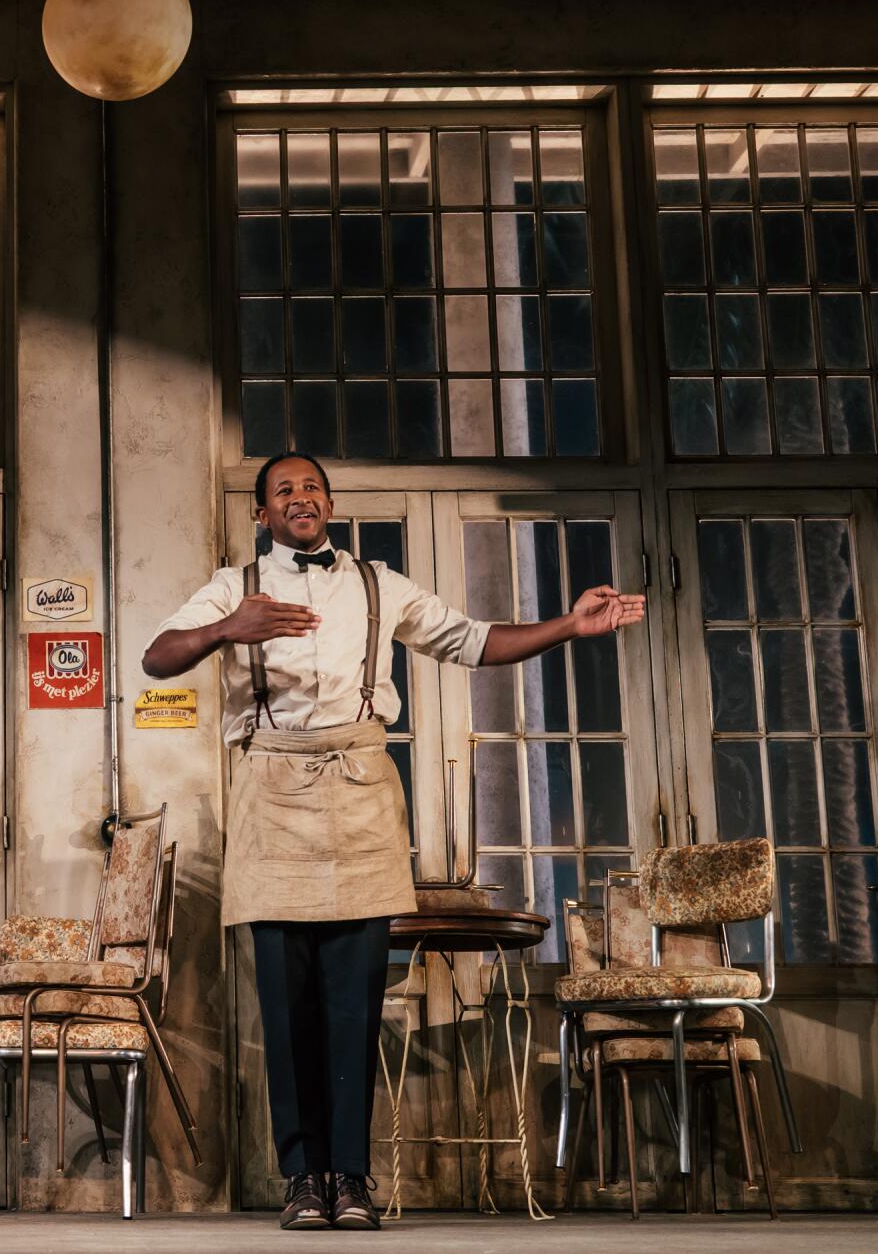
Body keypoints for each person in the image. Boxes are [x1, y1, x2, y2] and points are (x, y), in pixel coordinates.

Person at [141, 452, 642, 1232]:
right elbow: (156, 658)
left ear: (329, 502)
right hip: (273, 792)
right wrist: (224, 628)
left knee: (354, 1004)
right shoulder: (231, 586)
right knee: (288, 1006)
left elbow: (474, 641)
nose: (300, 498)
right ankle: (303, 1177)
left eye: (311, 487)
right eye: (284, 490)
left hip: (362, 792)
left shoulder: (378, 584)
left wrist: (570, 626)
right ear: (262, 513)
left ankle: (352, 1177)